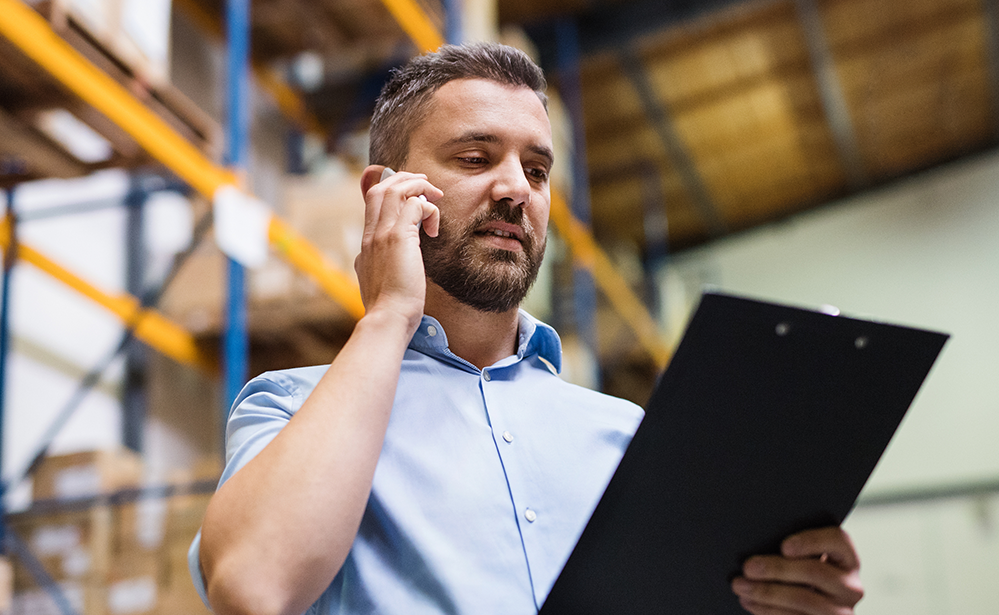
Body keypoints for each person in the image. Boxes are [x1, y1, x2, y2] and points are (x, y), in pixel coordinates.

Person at [190, 42, 865, 615]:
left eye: (537, 170)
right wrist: (388, 314)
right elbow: (254, 585)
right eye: (476, 158)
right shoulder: (290, 407)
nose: (517, 189)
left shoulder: (628, 438)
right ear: (385, 194)